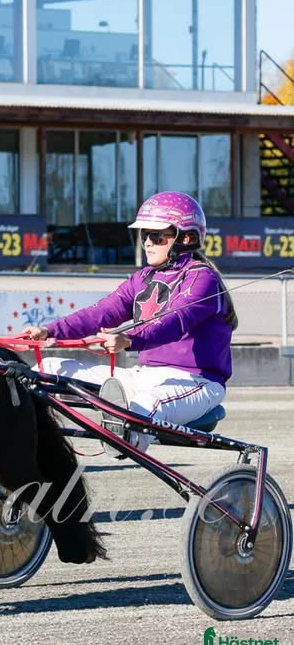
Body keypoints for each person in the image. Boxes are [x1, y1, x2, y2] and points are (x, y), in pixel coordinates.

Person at [22, 191, 237, 455]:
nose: (147, 243)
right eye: (145, 235)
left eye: (157, 236)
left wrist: (130, 339)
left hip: (195, 382)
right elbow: (102, 312)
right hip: (142, 375)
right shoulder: (143, 278)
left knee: (144, 405)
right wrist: (48, 331)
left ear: (186, 238)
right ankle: (24, 445)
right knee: (44, 370)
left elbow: (175, 321)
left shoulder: (203, 279)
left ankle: (126, 436)